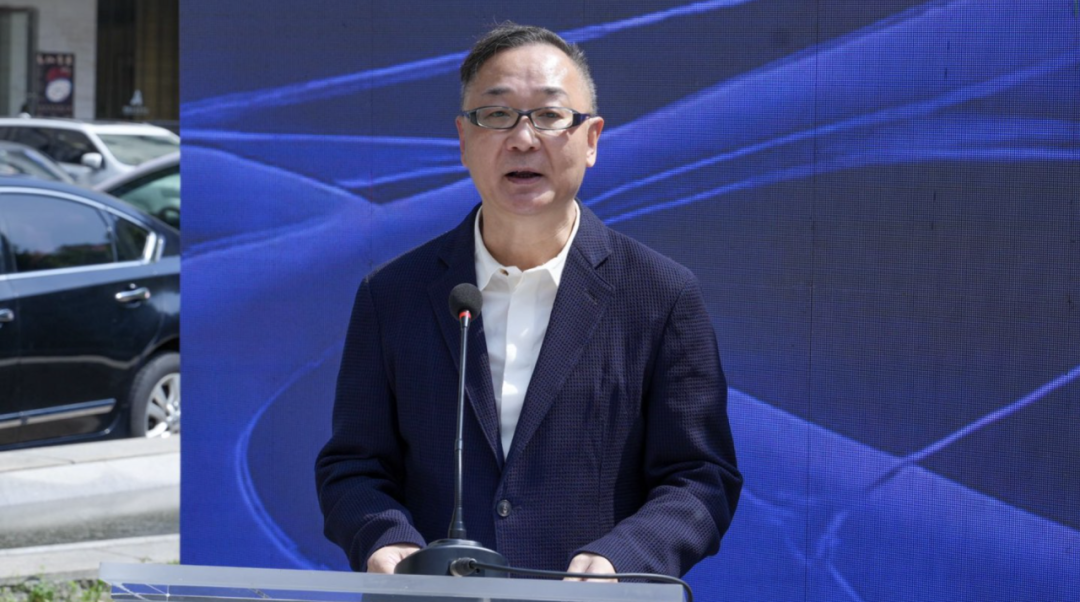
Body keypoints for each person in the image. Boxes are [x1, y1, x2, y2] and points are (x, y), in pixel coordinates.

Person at [315, 23, 741, 580]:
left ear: (592, 139)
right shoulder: (392, 295)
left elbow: (700, 478)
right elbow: (354, 466)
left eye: (549, 115)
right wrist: (384, 538)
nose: (522, 139)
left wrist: (624, 556)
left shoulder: (660, 295)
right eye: (496, 115)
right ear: (463, 140)